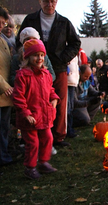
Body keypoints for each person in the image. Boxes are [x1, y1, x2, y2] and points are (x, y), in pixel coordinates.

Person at [16, 0, 81, 146]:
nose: (49, 4)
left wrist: (63, 58)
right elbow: (19, 41)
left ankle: (58, 137)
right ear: (40, 1)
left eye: (53, 1)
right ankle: (35, 136)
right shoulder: (30, 20)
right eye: (46, 1)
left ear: (56, 2)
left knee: (59, 101)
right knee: (35, 102)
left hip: (58, 68)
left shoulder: (64, 22)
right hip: (33, 70)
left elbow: (75, 43)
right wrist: (25, 58)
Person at [12, 39, 59, 180]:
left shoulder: (45, 74)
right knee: (33, 143)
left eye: (41, 55)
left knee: (48, 138)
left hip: (43, 114)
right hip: (30, 117)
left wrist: (54, 98)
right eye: (35, 55)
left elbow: (50, 89)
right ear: (28, 57)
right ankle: (30, 167)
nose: (39, 58)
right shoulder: (23, 75)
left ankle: (43, 162)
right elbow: (18, 96)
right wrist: (25, 113)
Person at [0, 6, 13, 173]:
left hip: (7, 93)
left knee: (4, 128)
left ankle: (3, 156)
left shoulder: (3, 41)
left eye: (3, 23)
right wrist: (3, 86)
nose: (1, 25)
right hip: (3, 90)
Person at [67, 56, 79, 138]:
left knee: (71, 107)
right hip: (68, 80)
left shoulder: (75, 55)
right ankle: (67, 129)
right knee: (67, 108)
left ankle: (70, 127)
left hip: (73, 81)